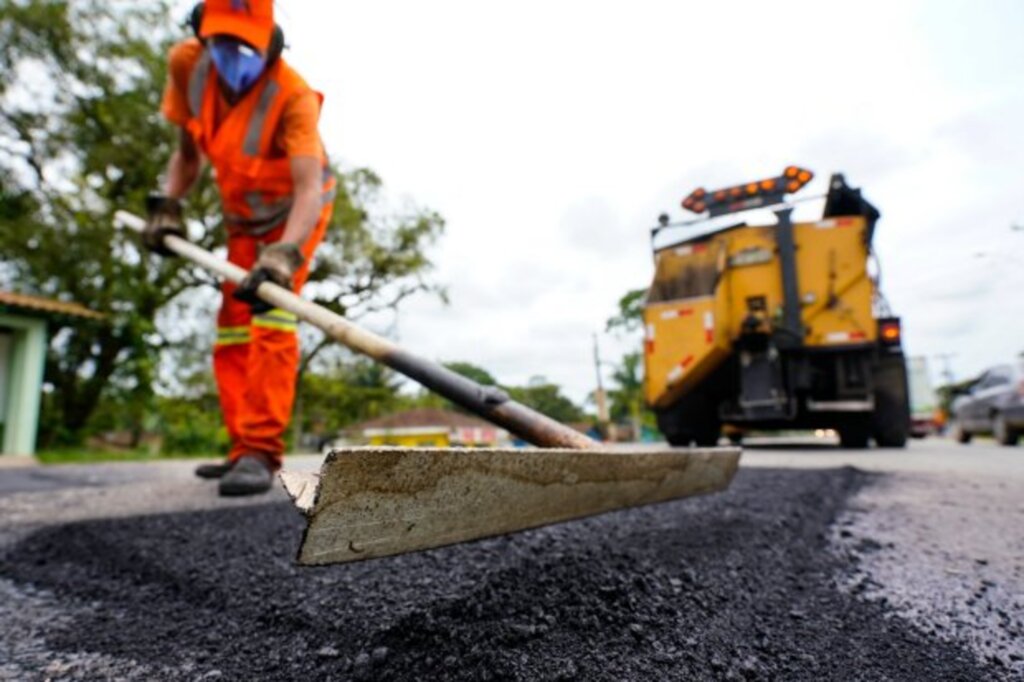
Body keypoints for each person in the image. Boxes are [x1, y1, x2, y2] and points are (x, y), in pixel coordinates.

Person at [144, 0, 336, 496]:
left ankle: (261, 449)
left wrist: (284, 254)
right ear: (202, 33)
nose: (233, 54)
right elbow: (187, 152)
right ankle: (238, 450)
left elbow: (310, 189)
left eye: (246, 44)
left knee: (270, 315)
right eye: (222, 41)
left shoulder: (291, 94)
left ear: (270, 41)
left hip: (294, 217)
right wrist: (169, 203)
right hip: (241, 220)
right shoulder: (187, 65)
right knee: (232, 326)